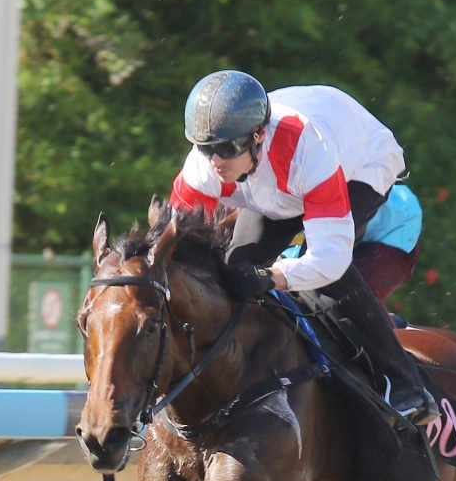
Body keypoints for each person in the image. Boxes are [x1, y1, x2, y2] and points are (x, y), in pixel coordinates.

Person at [169, 71, 439, 427]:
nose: (216, 162)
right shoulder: (203, 167)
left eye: (226, 149)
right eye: (207, 149)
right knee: (235, 266)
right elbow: (173, 249)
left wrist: (274, 277)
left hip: (357, 167)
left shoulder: (306, 149)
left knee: (322, 280)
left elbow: (330, 258)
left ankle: (407, 384)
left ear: (258, 135)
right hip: (280, 186)